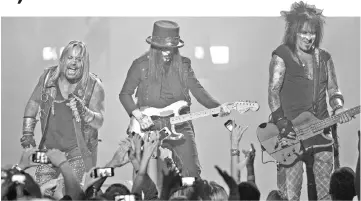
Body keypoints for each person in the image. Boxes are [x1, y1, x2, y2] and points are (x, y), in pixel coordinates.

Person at [119, 20, 230, 179]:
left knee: (191, 174)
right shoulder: (140, 65)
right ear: (154, 46)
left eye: (171, 48)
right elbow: (124, 94)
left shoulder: (184, 65)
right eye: (163, 48)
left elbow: (198, 90)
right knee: (145, 175)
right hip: (150, 126)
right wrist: (140, 117)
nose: (167, 52)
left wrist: (217, 107)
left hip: (180, 124)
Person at [267, 1, 353, 200]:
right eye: (303, 32)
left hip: (321, 129)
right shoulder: (282, 55)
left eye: (312, 33)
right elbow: (273, 92)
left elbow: (333, 88)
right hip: (291, 133)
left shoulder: (324, 58)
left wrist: (338, 107)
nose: (308, 37)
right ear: (294, 32)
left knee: (326, 194)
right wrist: (282, 124)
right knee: (291, 193)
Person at [20, 40, 105, 190]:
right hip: (49, 150)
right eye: (70, 58)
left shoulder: (94, 85)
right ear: (62, 60)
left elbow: (99, 121)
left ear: (85, 64)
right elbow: (34, 102)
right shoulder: (48, 77)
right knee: (43, 191)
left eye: (79, 59)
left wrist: (84, 111)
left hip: (77, 152)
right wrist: (27, 133)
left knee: (70, 193)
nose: (73, 63)